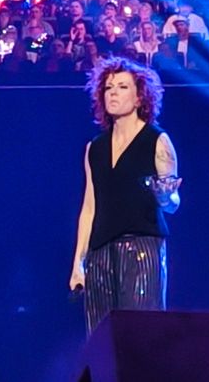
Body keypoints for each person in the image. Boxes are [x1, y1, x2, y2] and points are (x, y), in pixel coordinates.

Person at [69, 57, 181, 335]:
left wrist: (165, 196)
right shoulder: (94, 148)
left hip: (141, 248)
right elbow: (89, 207)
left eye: (122, 87)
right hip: (100, 254)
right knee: (101, 338)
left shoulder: (157, 141)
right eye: (108, 88)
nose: (113, 93)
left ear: (139, 96)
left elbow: (173, 203)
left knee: (140, 334)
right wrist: (78, 263)